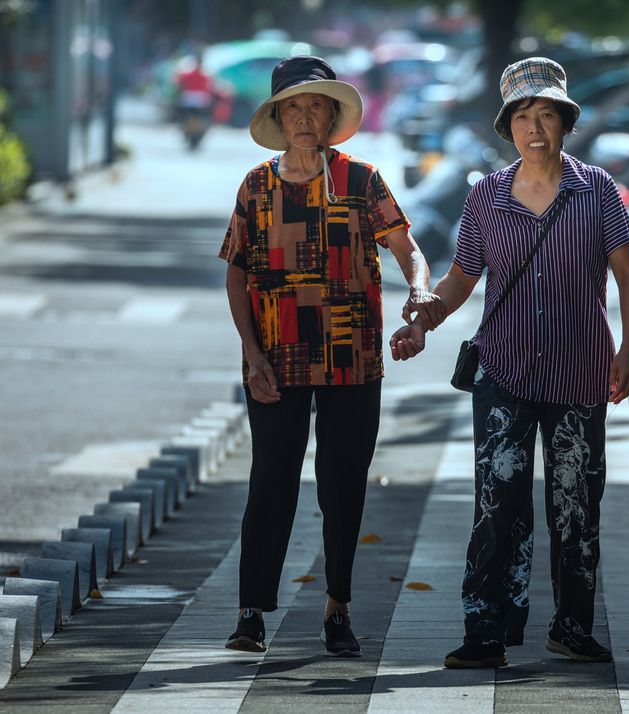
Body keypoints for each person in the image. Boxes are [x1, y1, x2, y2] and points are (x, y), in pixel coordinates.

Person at [390, 56, 629, 669]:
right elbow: (461, 279)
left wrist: (628, 353)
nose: (535, 128)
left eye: (547, 115)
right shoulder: (486, 197)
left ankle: (571, 628)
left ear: (564, 123)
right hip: (503, 372)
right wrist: (422, 320)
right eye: (523, 117)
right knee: (497, 504)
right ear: (508, 127)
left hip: (580, 372)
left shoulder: (597, 190)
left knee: (575, 506)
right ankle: (487, 631)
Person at [219, 55, 443, 656]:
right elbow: (236, 274)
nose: (303, 116)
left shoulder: (361, 180)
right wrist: (251, 353)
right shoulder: (256, 186)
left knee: (343, 486)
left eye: (315, 105)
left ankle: (337, 608)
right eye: (292, 106)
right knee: (271, 480)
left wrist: (419, 291)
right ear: (277, 117)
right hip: (276, 358)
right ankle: (250, 612)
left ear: (330, 115)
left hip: (353, 355)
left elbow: (407, 248)